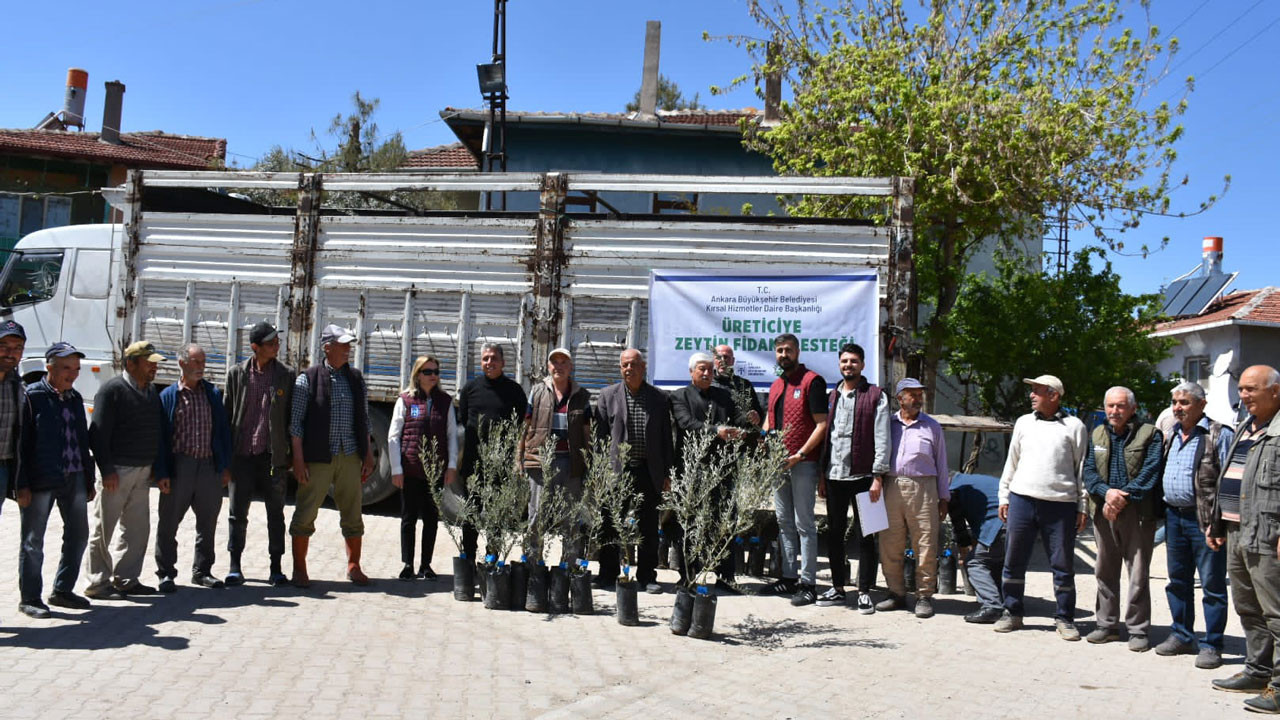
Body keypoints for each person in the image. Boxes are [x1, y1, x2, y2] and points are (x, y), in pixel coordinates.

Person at [1207, 365, 1280, 713]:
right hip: (1237, 532)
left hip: (1268, 537)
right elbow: (1229, 478)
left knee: (1276, 613)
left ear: (1275, 391)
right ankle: (1257, 670)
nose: (1244, 395)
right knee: (1248, 608)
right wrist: (1217, 524)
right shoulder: (1246, 427)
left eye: (1251, 389)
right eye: (1242, 389)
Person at [995, 374, 1087, 641]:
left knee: (1062, 563)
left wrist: (1083, 506)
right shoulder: (1024, 422)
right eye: (1032, 391)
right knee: (1014, 559)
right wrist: (1004, 496)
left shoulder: (1074, 426)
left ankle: (1065, 618)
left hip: (1061, 505)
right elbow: (1011, 461)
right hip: (1022, 500)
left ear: (1054, 395)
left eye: (1037, 391)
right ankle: (1011, 612)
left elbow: (1081, 469)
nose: (1031, 395)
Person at [288, 324, 375, 587]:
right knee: (306, 512)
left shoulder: (356, 379)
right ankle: (300, 569)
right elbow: (296, 424)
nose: (348, 349)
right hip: (317, 458)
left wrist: (368, 454)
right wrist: (298, 460)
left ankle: (354, 565)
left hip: (349, 455)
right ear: (327, 347)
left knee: (353, 512)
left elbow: (366, 420)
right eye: (343, 345)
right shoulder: (307, 379)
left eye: (349, 345)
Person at [1154, 381, 1232, 669]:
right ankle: (1181, 635)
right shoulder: (1172, 434)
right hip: (1174, 517)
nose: (1178, 407)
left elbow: (1228, 482)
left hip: (1205, 522)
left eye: (1184, 402)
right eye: (1175, 402)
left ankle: (1212, 644)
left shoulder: (1218, 434)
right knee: (1178, 582)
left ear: (1202, 404)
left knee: (1212, 584)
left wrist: (1218, 524)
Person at [15, 342, 93, 618]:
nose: (72, 374)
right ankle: (30, 598)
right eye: (66, 368)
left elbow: (82, 441)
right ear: (49, 368)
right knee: (33, 540)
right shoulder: (32, 396)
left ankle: (62, 591)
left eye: (76, 369)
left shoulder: (74, 398)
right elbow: (21, 444)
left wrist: (89, 477)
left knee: (79, 534)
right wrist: (20, 484)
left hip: (74, 477)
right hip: (41, 479)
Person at [86, 340, 169, 598]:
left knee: (137, 529)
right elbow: (97, 435)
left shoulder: (151, 392)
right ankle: (98, 582)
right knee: (104, 529)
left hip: (143, 472)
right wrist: (107, 469)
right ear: (131, 363)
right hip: (116, 472)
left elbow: (158, 432)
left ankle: (127, 579)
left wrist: (157, 467)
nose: (153, 368)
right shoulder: (111, 391)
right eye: (149, 363)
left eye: (155, 363)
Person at [1083, 386, 1163, 652]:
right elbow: (1089, 472)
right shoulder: (1096, 433)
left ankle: (1138, 629)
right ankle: (1106, 625)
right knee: (1104, 570)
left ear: (1132, 408)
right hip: (1104, 511)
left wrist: (1121, 498)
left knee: (1138, 573)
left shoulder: (1150, 434)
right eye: (1110, 406)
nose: (1114, 411)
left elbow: (1150, 473)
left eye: (1120, 406)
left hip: (1137, 513)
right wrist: (1107, 495)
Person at [595, 348, 676, 594]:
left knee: (648, 527)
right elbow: (599, 438)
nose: (628, 369)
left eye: (633, 364)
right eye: (624, 365)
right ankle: (607, 574)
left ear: (643, 368)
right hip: (617, 471)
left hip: (648, 471)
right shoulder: (607, 396)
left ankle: (647, 576)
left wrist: (667, 473)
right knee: (609, 523)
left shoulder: (659, 398)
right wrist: (598, 471)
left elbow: (666, 438)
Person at [816, 342, 888, 613]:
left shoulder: (876, 395)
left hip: (865, 477)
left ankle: (865, 591)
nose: (849, 365)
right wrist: (823, 474)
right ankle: (837, 588)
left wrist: (878, 476)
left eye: (854, 361)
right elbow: (828, 437)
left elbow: (882, 437)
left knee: (867, 534)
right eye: (845, 361)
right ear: (839, 364)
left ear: (863, 365)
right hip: (834, 476)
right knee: (834, 534)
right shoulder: (832, 394)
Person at [154, 344, 232, 592]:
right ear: (182, 364)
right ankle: (166, 573)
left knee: (207, 523)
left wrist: (224, 466)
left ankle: (202, 571)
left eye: (203, 362)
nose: (201, 367)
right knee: (168, 523)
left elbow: (223, 431)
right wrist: (162, 472)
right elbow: (160, 438)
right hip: (180, 467)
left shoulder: (212, 394)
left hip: (209, 466)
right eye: (195, 362)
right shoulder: (168, 396)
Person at [670, 352, 750, 592]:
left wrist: (747, 421)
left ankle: (726, 576)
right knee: (689, 522)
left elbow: (738, 419)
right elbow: (687, 424)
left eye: (709, 370)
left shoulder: (724, 396)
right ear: (692, 372)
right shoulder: (678, 397)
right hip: (691, 470)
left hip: (722, 470)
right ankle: (688, 576)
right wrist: (717, 431)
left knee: (724, 522)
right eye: (701, 369)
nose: (706, 373)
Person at [224, 321, 295, 586]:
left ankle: (276, 568)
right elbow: (226, 413)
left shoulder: (286, 375)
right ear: (255, 347)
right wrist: (224, 459)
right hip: (241, 455)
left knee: (275, 514)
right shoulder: (236, 374)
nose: (276, 346)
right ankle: (234, 567)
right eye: (270, 343)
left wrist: (289, 453)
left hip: (272, 458)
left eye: (277, 341)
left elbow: (291, 416)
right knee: (236, 513)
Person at [761, 333, 828, 606]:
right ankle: (789, 579)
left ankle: (808, 584)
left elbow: (822, 425)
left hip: (803, 464)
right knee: (784, 522)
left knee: (804, 525)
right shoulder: (777, 384)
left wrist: (800, 455)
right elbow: (770, 419)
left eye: (788, 350)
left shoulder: (812, 382)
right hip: (778, 464)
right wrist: (762, 439)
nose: (783, 354)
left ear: (798, 352)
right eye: (779, 350)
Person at [877, 378, 949, 618]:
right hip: (891, 486)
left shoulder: (932, 426)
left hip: (924, 488)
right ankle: (896, 593)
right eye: (912, 394)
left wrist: (944, 497)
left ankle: (924, 596)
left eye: (920, 394)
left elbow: (942, 463)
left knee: (926, 544)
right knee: (890, 542)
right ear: (900, 398)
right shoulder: (887, 424)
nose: (918, 398)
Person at [518, 347, 590, 568]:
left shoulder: (581, 396)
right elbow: (525, 427)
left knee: (570, 520)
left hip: (571, 464)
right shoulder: (537, 391)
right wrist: (519, 459)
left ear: (571, 367)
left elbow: (588, 433)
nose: (558, 366)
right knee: (536, 516)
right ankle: (532, 565)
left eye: (563, 362)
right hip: (540, 462)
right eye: (554, 362)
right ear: (548, 366)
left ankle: (567, 568)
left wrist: (589, 465)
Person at [388, 355, 457, 580]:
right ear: (418, 374)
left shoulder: (445, 401)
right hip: (410, 469)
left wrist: (451, 466)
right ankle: (407, 564)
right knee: (408, 518)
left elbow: (451, 436)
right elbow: (393, 436)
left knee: (431, 518)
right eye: (428, 372)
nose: (433, 376)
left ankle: (425, 565)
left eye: (436, 371)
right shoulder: (405, 400)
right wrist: (397, 469)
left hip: (435, 471)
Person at [456, 342, 527, 562]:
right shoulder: (469, 389)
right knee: (471, 511)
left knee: (497, 512)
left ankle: (492, 557)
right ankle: (467, 556)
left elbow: (522, 426)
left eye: (494, 358)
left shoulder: (514, 391)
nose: (490, 362)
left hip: (501, 464)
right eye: (486, 358)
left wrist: (517, 459)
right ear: (481, 362)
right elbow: (464, 422)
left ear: (503, 362)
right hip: (474, 464)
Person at [947, 473, 1004, 623]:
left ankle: (992, 607)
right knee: (996, 560)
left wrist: (964, 552)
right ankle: (1004, 600)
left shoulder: (953, 489)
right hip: (1022, 522)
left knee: (975, 562)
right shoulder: (974, 480)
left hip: (999, 524)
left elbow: (959, 526)